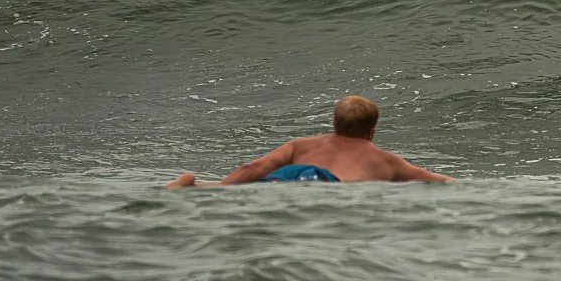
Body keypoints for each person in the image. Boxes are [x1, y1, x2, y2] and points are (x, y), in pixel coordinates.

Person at [163, 95, 453, 186]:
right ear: (372, 131)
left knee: (255, 186)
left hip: (288, 176)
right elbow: (433, 179)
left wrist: (225, 188)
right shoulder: (385, 160)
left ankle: (195, 185)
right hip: (325, 184)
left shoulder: (301, 145)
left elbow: (252, 168)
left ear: (333, 124)